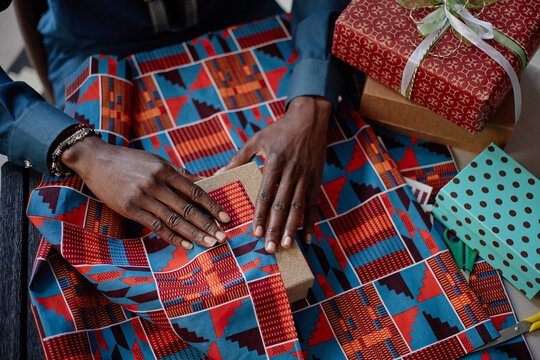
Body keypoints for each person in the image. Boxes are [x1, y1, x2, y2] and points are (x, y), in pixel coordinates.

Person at [0, 0, 349, 253]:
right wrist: (78, 149)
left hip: (243, 15)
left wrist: (312, 100)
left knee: (334, 199)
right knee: (104, 240)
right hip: (95, 48)